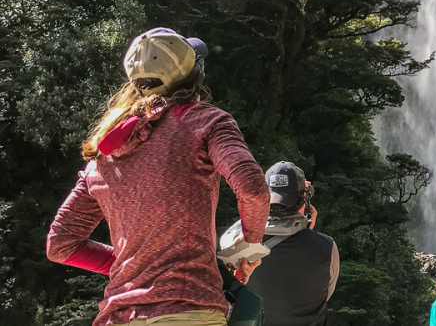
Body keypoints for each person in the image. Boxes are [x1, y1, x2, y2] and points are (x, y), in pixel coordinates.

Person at [46, 28, 271, 326]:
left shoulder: (106, 149)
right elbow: (253, 190)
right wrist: (250, 245)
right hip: (185, 310)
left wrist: (138, 264)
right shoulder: (206, 121)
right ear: (195, 76)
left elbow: (60, 244)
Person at [223, 161, 339, 326]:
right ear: (304, 201)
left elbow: (231, 235)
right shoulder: (327, 247)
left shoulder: (238, 248)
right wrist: (307, 230)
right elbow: (323, 295)